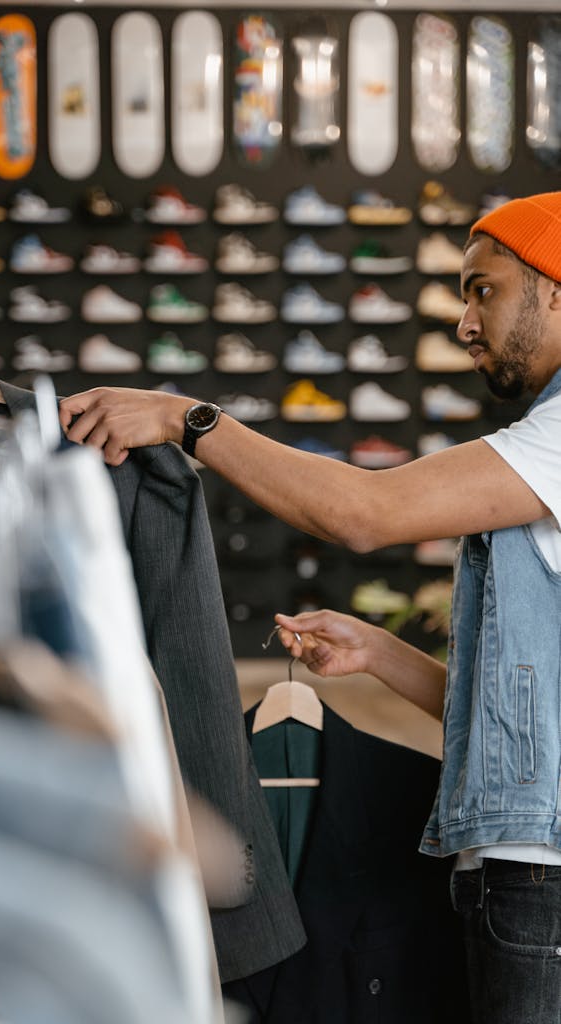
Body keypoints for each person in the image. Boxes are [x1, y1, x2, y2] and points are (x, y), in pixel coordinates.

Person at [59, 191, 561, 1023]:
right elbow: (528, 723)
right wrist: (378, 653)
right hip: (522, 871)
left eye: (484, 290)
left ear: (553, 289)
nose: (464, 323)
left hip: (539, 879)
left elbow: (361, 513)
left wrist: (187, 420)